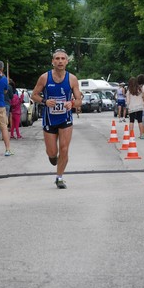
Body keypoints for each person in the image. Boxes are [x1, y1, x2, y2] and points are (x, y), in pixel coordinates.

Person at [31, 48, 82, 189]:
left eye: (63, 59)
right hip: (49, 119)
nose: (60, 61)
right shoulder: (44, 77)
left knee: (64, 149)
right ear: (53, 61)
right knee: (52, 152)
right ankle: (53, 157)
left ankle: (59, 177)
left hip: (65, 119)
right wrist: (44, 101)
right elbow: (33, 95)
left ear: (67, 62)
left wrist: (71, 103)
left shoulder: (72, 79)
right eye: (57, 59)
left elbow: (79, 101)